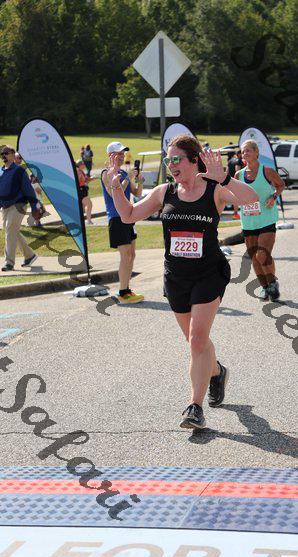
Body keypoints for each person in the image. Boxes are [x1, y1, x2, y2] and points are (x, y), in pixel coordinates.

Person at [107, 135, 258, 429]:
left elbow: (251, 199)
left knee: (197, 339)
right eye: (168, 160)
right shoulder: (164, 192)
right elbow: (128, 215)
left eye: (176, 159)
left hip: (209, 273)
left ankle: (195, 407)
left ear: (193, 160)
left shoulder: (214, 189)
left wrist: (225, 178)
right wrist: (115, 187)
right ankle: (216, 372)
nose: (171, 165)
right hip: (176, 277)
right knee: (194, 340)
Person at [235, 139, 285, 301]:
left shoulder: (267, 171)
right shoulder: (239, 175)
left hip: (266, 219)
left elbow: (280, 185)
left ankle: (272, 284)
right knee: (254, 257)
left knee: (262, 255)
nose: (245, 153)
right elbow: (234, 194)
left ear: (256, 152)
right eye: (243, 151)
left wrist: (273, 197)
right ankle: (265, 287)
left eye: (248, 150)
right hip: (248, 222)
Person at [101, 141, 145, 304]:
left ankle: (126, 289)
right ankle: (122, 292)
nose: (121, 157)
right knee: (125, 255)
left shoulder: (124, 173)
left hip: (128, 217)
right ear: (110, 156)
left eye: (122, 154)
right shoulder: (106, 173)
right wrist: (128, 178)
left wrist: (139, 181)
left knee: (131, 254)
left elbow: (137, 193)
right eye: (118, 154)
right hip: (116, 218)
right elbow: (113, 194)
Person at [0, 145, 40, 271]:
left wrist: (34, 207)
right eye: (2, 154)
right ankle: (30, 255)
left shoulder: (19, 171)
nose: (3, 155)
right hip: (5, 207)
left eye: (6, 153)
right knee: (12, 231)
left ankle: (9, 263)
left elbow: (28, 190)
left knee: (10, 230)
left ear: (13, 155)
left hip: (18, 205)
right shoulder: (1, 171)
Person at [227, 150, 244, 219]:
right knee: (240, 197)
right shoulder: (239, 161)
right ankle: (237, 213)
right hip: (236, 181)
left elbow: (227, 171)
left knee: (234, 197)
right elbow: (237, 172)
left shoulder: (230, 161)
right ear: (239, 154)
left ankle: (235, 213)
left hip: (230, 181)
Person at [76, 160, 93, 224]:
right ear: (80, 165)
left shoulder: (81, 171)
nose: (84, 165)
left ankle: (81, 221)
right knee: (89, 204)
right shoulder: (78, 171)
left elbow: (86, 180)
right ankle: (89, 221)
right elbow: (77, 181)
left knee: (82, 207)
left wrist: (93, 178)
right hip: (81, 190)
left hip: (83, 189)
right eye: (83, 164)